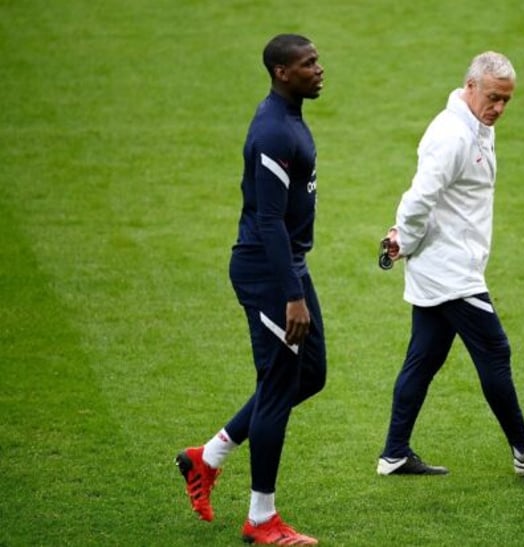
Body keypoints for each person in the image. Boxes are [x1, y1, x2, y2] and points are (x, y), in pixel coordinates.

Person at [377, 51, 524, 477]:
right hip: (451, 272)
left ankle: (394, 454)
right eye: (493, 97)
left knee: (424, 358)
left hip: (453, 264)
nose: (500, 108)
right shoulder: (452, 136)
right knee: (494, 350)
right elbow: (417, 200)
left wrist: (406, 242)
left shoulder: (476, 124)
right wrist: (406, 241)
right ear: (470, 87)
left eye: (507, 100)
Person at [176, 34, 325, 545]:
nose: (319, 70)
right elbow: (266, 220)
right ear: (282, 72)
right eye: (308, 64)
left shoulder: (290, 118)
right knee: (280, 387)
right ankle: (262, 519)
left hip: (289, 267)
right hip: (269, 274)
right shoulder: (272, 132)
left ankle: (207, 457)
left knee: (310, 375)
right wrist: (291, 294)